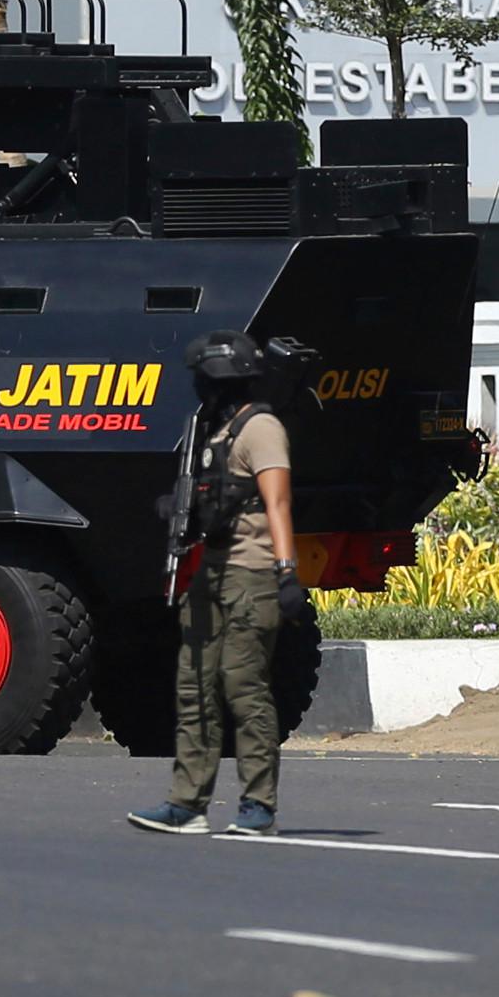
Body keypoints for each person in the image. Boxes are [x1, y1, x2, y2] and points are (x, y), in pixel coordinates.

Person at [127, 330, 300, 838]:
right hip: (213, 574)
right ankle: (187, 802)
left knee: (243, 687)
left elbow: (278, 503)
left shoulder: (262, 428)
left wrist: (287, 572)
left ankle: (257, 803)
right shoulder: (217, 432)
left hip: (252, 574)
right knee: (194, 687)